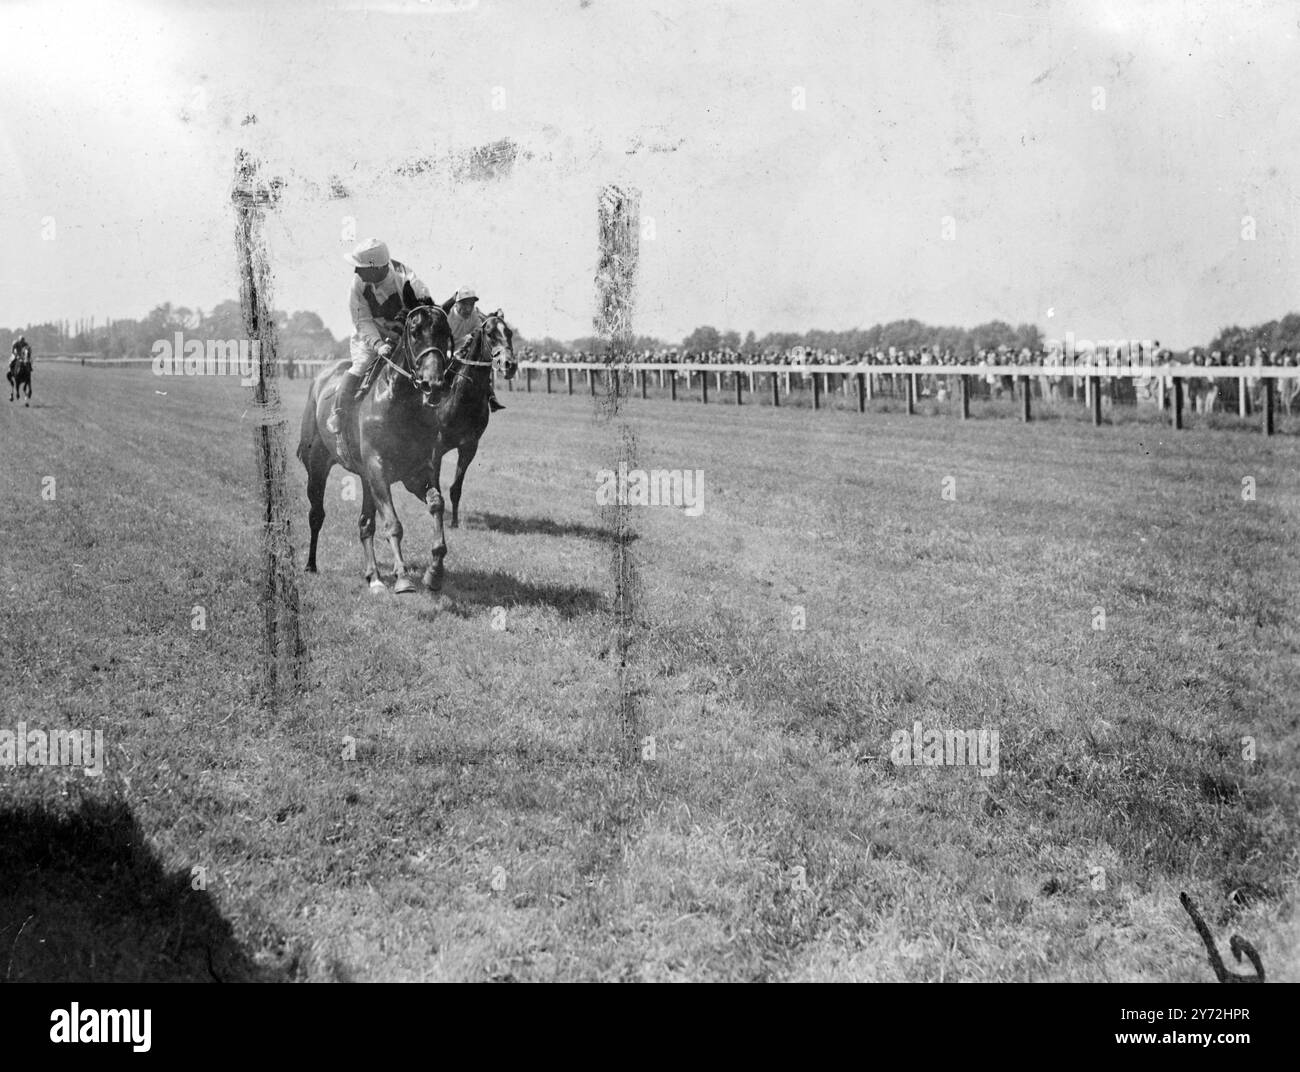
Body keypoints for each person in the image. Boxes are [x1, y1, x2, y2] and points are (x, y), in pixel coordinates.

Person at [328, 238, 433, 468]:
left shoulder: (407, 279)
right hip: (369, 335)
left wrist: (399, 335)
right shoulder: (357, 284)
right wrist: (377, 344)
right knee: (362, 365)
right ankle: (339, 413)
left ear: (377, 268)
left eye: (362, 267)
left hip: (403, 333)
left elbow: (424, 308)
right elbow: (362, 320)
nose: (356, 271)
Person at [440, 286, 504, 411]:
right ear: (457, 304)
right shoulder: (447, 315)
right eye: (465, 304)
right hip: (444, 347)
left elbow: (480, 333)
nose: (468, 308)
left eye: (471, 304)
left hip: (463, 348)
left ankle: (490, 396)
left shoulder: (474, 315)